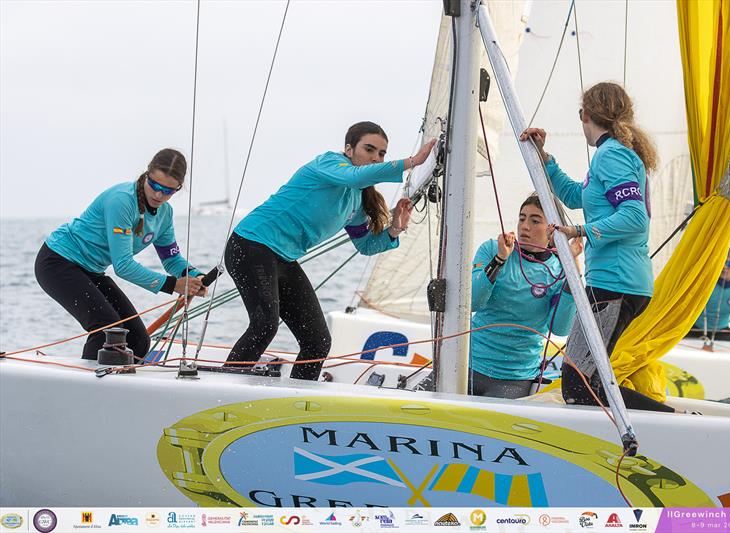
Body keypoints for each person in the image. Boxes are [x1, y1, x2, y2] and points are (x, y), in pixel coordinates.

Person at [226, 121, 435, 380]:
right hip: (251, 245)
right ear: (348, 149)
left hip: (283, 258)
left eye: (381, 154)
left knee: (317, 342)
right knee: (264, 325)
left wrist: (394, 229)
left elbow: (366, 245)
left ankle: (297, 401)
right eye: (369, 149)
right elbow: (355, 176)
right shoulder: (326, 163)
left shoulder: (357, 202)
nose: (375, 157)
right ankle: (223, 389)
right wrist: (414, 161)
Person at [521, 81, 675, 413]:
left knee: (579, 385)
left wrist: (580, 230)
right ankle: (656, 423)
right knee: (583, 384)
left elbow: (634, 218)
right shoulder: (613, 155)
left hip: (614, 283)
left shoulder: (612, 155)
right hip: (617, 282)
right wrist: (544, 159)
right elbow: (577, 197)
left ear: (587, 114)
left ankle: (671, 421)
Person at [35, 149, 206, 360]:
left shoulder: (165, 214)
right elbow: (123, 266)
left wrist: (194, 276)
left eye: (168, 191)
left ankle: (117, 384)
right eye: (154, 185)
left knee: (138, 340)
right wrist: (173, 285)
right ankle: (86, 389)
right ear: (147, 174)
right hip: (57, 262)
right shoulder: (122, 201)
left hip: (91, 270)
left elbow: (171, 259)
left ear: (178, 188)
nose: (159, 195)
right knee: (106, 331)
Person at [469, 193, 581, 399]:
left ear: (553, 230)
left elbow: (560, 328)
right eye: (522, 218)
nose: (525, 226)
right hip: (467, 364)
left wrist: (573, 270)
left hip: (514, 377)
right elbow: (473, 302)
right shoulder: (492, 249)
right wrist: (500, 260)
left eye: (535, 220)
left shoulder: (559, 269)